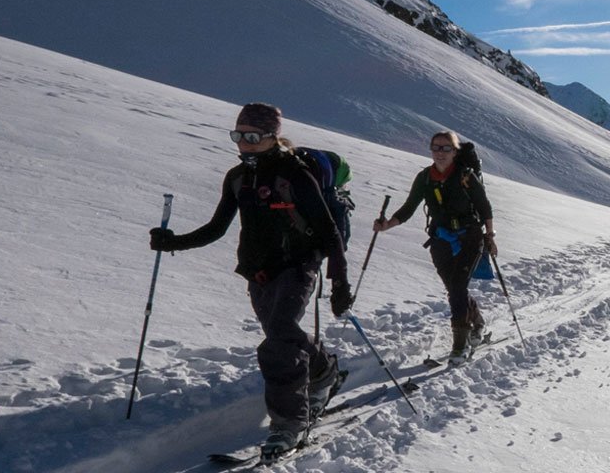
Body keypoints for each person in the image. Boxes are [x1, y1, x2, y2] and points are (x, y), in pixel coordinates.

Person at [149, 103, 351, 458]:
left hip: (298, 264)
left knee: (279, 339)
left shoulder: (295, 175)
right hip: (258, 270)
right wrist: (172, 243)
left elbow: (329, 232)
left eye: (252, 136)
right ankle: (324, 372)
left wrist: (339, 283)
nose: (244, 143)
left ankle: (289, 424)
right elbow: (216, 228)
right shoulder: (237, 177)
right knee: (282, 334)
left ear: (272, 137)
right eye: (238, 135)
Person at [373, 129, 496, 356]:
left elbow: (484, 206)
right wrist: (387, 224)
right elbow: (409, 207)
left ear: (454, 151)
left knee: (457, 286)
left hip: (470, 237)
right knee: (454, 288)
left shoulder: (465, 176)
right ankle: (477, 322)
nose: (440, 153)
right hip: (440, 238)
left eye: (446, 148)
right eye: (436, 147)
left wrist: (489, 235)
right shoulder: (425, 177)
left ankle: (459, 346)